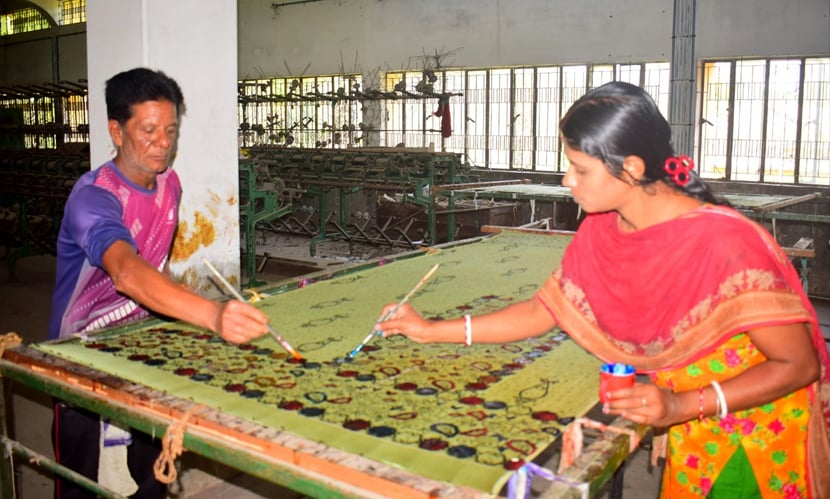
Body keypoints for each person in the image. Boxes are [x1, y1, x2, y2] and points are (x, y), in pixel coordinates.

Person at [376, 81, 830, 498]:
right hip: (694, 430)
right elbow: (542, 312)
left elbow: (798, 364)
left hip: (759, 438)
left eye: (579, 169)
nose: (566, 181)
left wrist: (681, 404)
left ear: (630, 168)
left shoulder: (725, 244)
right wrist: (428, 329)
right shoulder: (603, 230)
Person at [49, 67, 269, 499]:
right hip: (79, 356)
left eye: (170, 130)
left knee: (153, 472)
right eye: (148, 131)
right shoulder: (93, 198)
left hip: (140, 349)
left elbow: (155, 266)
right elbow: (127, 272)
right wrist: (212, 315)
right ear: (117, 130)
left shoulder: (170, 185)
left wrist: (182, 316)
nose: (163, 143)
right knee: (80, 484)